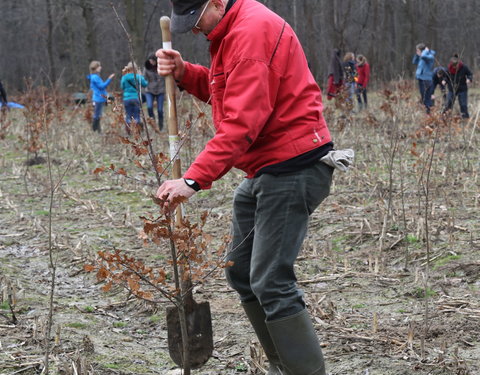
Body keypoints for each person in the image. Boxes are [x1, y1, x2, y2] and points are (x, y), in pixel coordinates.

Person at [156, 1, 338, 374]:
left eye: (196, 20)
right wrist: (185, 73)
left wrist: (192, 179)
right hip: (265, 169)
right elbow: (229, 91)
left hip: (294, 165)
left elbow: (241, 122)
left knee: (271, 280)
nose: (193, 30)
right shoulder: (228, 32)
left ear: (218, 2)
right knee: (241, 272)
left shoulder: (252, 32)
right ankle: (283, 364)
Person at [87, 61, 115, 132]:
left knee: (98, 115)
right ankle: (94, 130)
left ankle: (98, 130)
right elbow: (102, 86)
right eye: (99, 66)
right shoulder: (95, 77)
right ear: (96, 68)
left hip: (98, 98)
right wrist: (109, 78)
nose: (101, 67)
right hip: (98, 99)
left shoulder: (94, 77)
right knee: (97, 115)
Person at [120, 62, 148, 133]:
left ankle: (128, 131)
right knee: (136, 115)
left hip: (127, 98)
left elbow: (122, 87)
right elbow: (145, 84)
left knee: (128, 115)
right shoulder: (138, 76)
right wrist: (141, 76)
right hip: (136, 98)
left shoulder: (124, 77)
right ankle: (137, 131)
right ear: (136, 69)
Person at [446, 54, 473, 118]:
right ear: (452, 65)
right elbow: (446, 77)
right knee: (449, 103)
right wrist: (444, 80)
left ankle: (465, 118)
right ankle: (446, 117)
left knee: (463, 104)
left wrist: (469, 79)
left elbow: (470, 74)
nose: (456, 68)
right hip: (452, 89)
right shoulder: (448, 68)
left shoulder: (464, 67)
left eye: (457, 66)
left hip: (462, 89)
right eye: (454, 66)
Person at [143, 54, 165, 130]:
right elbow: (144, 79)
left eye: (152, 61)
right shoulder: (146, 68)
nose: (151, 62)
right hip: (149, 90)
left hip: (160, 90)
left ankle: (161, 125)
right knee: (149, 107)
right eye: (150, 61)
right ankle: (153, 123)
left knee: (160, 110)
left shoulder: (161, 67)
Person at [412, 43, 436, 113]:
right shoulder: (421, 56)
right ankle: (429, 112)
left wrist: (425, 51)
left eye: (418, 50)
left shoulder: (429, 56)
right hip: (421, 78)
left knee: (426, 98)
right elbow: (414, 62)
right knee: (424, 98)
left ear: (422, 51)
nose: (417, 52)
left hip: (426, 79)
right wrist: (417, 55)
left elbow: (423, 56)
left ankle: (429, 112)